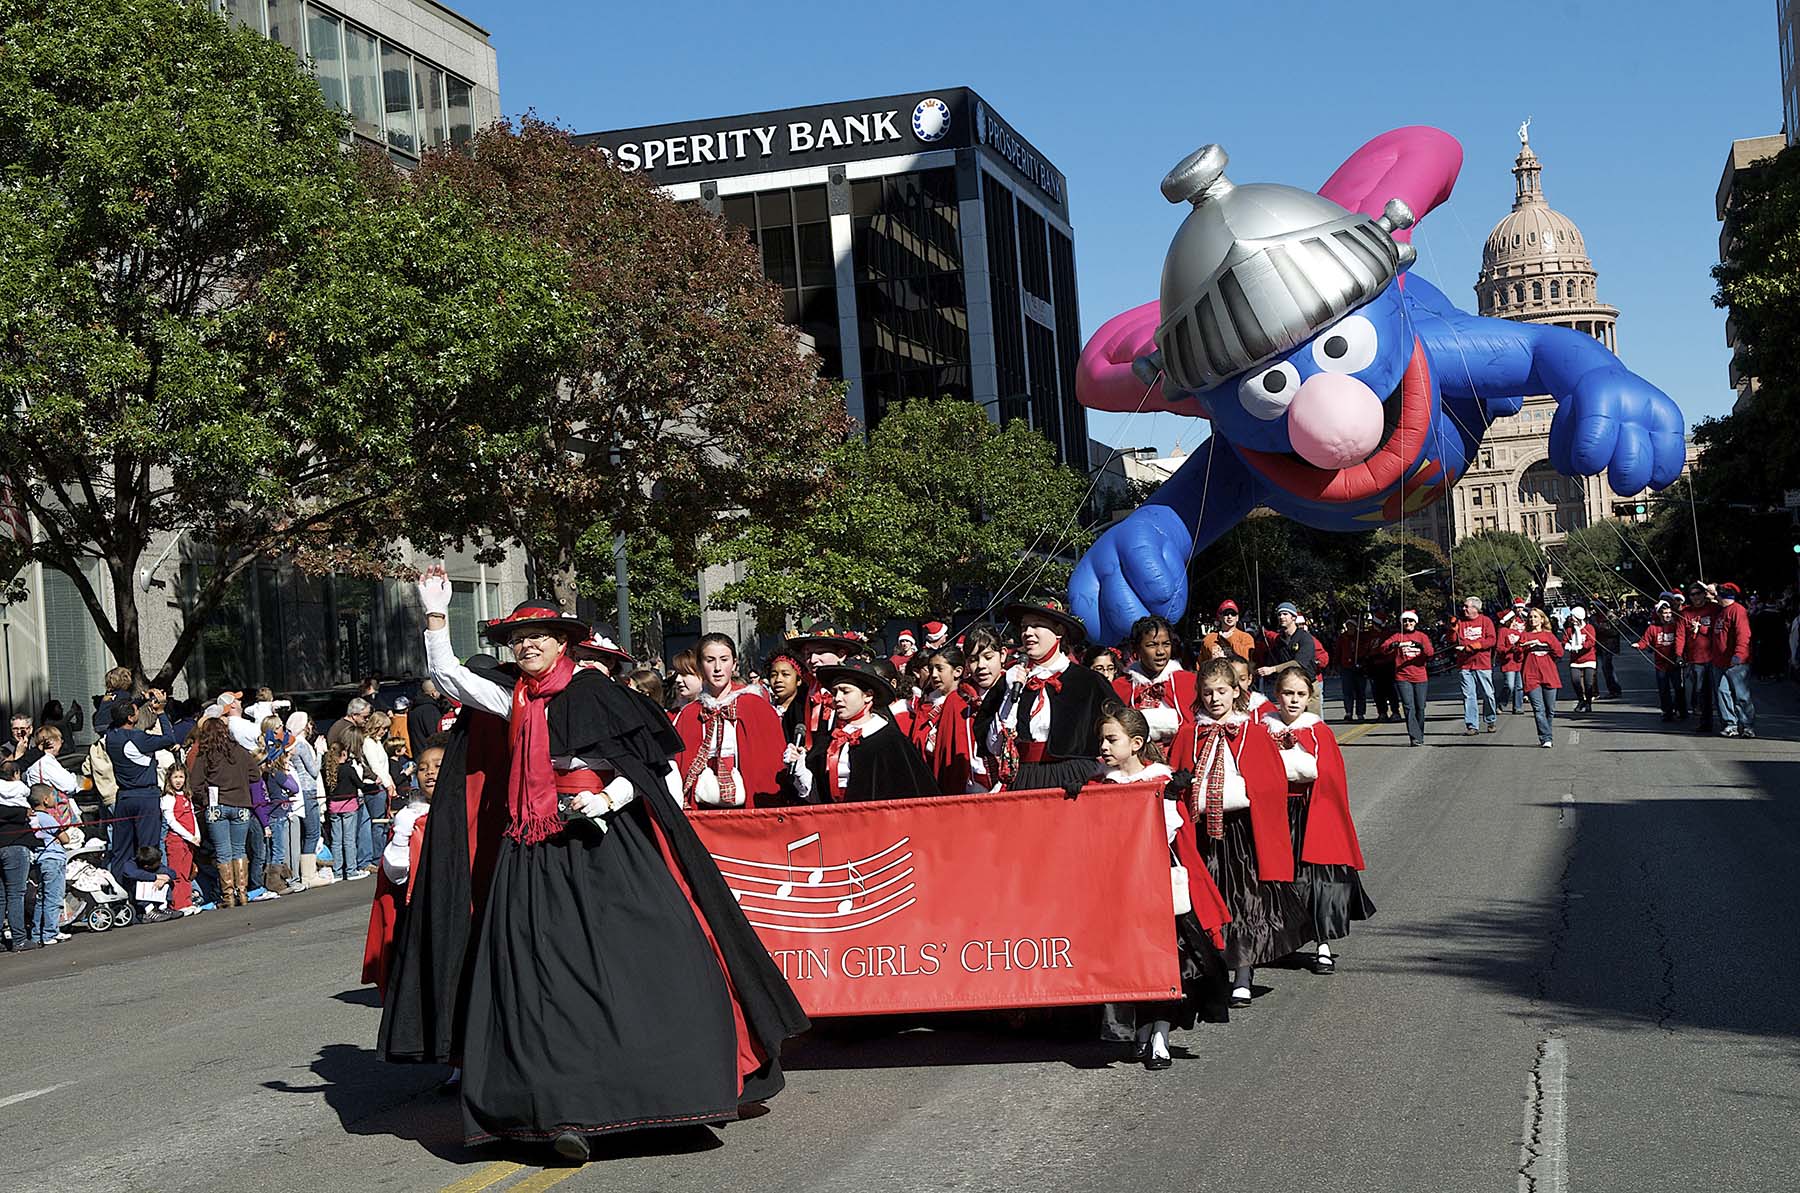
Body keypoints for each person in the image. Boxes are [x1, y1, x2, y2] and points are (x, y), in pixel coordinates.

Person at [415, 569, 808, 1160]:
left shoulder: (595, 691)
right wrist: (437, 615)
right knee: (534, 972)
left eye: (540, 636)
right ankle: (558, 1107)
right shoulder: (513, 699)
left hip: (604, 848)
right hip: (534, 852)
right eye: (519, 638)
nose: (527, 646)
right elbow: (449, 677)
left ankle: (664, 1088)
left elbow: (648, 769)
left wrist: (603, 798)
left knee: (650, 953)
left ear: (562, 642)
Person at [1092, 702, 1230, 1069]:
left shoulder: (1161, 779)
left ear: (1136, 743)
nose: (1104, 747)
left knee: (1169, 960)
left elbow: (1171, 831)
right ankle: (1140, 1030)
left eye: (1111, 739)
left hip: (1158, 881)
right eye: (1102, 740)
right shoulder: (1101, 783)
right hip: (1120, 884)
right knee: (1131, 959)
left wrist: (1167, 799)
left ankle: (1160, 1036)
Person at [1167, 658, 1302, 1009]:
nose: (1214, 699)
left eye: (1222, 691)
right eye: (1207, 692)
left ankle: (1244, 972)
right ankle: (1209, 971)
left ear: (1237, 692)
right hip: (1200, 833)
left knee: (1244, 900)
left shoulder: (1253, 733)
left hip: (1241, 832)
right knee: (1205, 901)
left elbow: (1271, 783)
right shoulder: (1188, 734)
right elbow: (1175, 779)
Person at [1261, 666, 1375, 975]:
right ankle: (1283, 940)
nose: (1294, 701)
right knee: (1279, 879)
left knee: (1320, 880)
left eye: (1300, 694)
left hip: (1311, 813)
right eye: (1288, 693)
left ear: (1310, 697)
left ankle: (1323, 943)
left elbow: (1332, 779)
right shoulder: (1262, 730)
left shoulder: (1318, 731)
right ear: (1276, 696)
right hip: (1275, 814)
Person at [973, 597, 1113, 794]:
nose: (1027, 632)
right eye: (1024, 627)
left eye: (1037, 625)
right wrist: (1007, 697)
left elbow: (1119, 729)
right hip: (1025, 779)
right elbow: (994, 746)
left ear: (1059, 632)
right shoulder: (1010, 681)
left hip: (1074, 778)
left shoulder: (1089, 681)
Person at [784, 656, 939, 802]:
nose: (837, 698)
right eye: (835, 692)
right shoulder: (830, 739)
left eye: (845, 691)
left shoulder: (891, 740)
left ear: (868, 695)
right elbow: (820, 798)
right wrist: (800, 769)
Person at [363, 738, 442, 997]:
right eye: (422, 767)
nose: (430, 772)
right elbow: (395, 876)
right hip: (420, 911)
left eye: (438, 765)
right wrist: (401, 833)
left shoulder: (470, 810)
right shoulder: (411, 818)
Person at [673, 633, 787, 809]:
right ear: (700, 666)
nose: (718, 668)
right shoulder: (689, 715)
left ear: (734, 664)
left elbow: (772, 764)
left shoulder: (756, 707)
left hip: (749, 812)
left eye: (724, 659)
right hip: (703, 812)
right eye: (710, 660)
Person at [103, 690, 195, 886]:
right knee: (148, 849)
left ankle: (123, 893)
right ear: (130, 718)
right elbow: (170, 738)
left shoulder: (111, 735)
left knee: (122, 850)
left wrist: (143, 700)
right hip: (146, 796)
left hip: (124, 797)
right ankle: (150, 897)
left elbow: (120, 714)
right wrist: (160, 711)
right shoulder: (138, 738)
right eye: (135, 711)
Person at [188, 716, 259, 906]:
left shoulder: (206, 754)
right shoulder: (241, 751)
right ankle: (242, 893)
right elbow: (255, 775)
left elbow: (195, 785)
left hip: (216, 806)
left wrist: (205, 798)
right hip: (242, 804)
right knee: (239, 849)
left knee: (223, 852)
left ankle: (228, 896)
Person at [783, 622, 872, 749]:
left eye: (820, 652)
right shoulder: (801, 697)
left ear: (841, 655)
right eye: (807, 654)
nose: (812, 660)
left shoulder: (860, 690)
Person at [1113, 615, 1196, 746]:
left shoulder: (1189, 682)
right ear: (1137, 649)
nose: (1161, 651)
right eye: (1152, 645)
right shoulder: (1121, 687)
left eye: (1166, 644)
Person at [908, 645, 975, 795]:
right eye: (931, 669)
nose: (934, 675)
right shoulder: (926, 704)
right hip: (929, 779)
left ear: (957, 671)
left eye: (940, 669)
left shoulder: (963, 703)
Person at [959, 626, 1007, 792]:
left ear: (1003, 655)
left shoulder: (1015, 692)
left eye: (988, 657)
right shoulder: (960, 700)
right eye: (973, 660)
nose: (981, 666)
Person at [28, 783, 76, 944]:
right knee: (54, 897)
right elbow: (65, 838)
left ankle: (37, 933)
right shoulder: (47, 818)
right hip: (54, 859)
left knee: (42, 898)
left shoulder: (32, 818)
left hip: (40, 859)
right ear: (45, 799)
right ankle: (50, 932)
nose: (56, 799)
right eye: (54, 796)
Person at [286, 711, 327, 887]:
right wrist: (320, 752)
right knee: (312, 832)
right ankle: (309, 875)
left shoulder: (291, 744)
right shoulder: (301, 745)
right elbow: (314, 770)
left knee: (306, 833)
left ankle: (307, 872)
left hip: (300, 791)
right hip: (308, 790)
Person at [1381, 611, 1434, 746]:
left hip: (1420, 677)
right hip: (1403, 676)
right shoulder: (1398, 636)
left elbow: (1430, 653)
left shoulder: (1422, 636)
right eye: (1405, 621)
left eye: (1411, 621)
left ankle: (1419, 733)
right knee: (1408, 706)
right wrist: (1393, 645)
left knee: (1420, 707)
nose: (1408, 623)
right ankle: (1414, 736)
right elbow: (1383, 647)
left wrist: (1421, 647)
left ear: (1415, 622)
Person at [324, 733, 370, 883]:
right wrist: (374, 786)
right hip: (349, 806)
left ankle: (338, 872)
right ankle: (351, 870)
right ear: (344, 754)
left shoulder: (328, 770)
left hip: (334, 808)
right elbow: (360, 784)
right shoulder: (348, 769)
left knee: (336, 841)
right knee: (349, 839)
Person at [1714, 582, 1756, 738]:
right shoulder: (1721, 611)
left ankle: (1747, 725)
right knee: (1722, 692)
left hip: (1736, 662)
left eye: (1718, 594)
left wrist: (1738, 655)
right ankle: (1730, 724)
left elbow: (1743, 635)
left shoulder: (1738, 611)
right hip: (1720, 661)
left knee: (1741, 695)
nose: (1716, 597)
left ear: (1724, 595)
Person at [160, 765, 204, 914]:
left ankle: (187, 901)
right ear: (169, 779)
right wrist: (188, 836)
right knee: (177, 874)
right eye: (175, 777)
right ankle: (177, 904)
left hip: (190, 841)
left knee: (187, 873)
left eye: (181, 777)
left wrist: (196, 834)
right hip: (176, 840)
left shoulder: (186, 796)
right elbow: (171, 821)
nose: (178, 781)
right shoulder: (167, 798)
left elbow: (192, 816)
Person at [1633, 601, 1687, 722]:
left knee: (1679, 688)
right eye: (1664, 613)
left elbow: (1683, 638)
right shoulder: (1653, 628)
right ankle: (1667, 712)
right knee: (1663, 689)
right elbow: (1645, 640)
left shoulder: (1676, 625)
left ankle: (1682, 710)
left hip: (1674, 662)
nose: (1667, 615)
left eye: (1669, 613)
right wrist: (1638, 645)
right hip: (1660, 664)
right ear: (1659, 614)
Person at [1452, 597, 1498, 736]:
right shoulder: (1460, 622)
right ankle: (1472, 725)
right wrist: (1452, 629)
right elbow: (1453, 641)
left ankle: (1490, 720)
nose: (1464, 609)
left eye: (1467, 606)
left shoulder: (1486, 621)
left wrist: (1473, 646)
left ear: (1475, 609)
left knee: (1488, 694)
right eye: (1464, 606)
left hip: (1482, 664)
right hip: (1465, 665)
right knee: (1469, 696)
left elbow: (1491, 640)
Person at [1518, 609, 1565, 748]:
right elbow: (1518, 657)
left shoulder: (1549, 636)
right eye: (1530, 617)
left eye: (1535, 617)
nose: (1532, 619)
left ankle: (1547, 733)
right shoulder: (1524, 635)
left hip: (1549, 674)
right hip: (1531, 675)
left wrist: (1544, 644)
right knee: (1538, 709)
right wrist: (1522, 647)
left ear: (1542, 619)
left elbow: (1559, 653)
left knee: (1550, 709)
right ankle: (1545, 737)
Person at [1679, 583, 1720, 734]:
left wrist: (1701, 628)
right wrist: (1679, 654)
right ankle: (1705, 721)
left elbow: (1718, 629)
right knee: (1700, 691)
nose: (1695, 597)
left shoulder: (1714, 609)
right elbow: (1681, 635)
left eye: (1698, 593)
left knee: (1720, 692)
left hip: (1714, 657)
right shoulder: (1686, 613)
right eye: (1692, 594)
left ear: (1704, 594)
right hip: (1696, 659)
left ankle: (1729, 722)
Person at [1256, 602, 1317, 685]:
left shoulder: (1304, 638)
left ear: (1294, 617)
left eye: (1285, 614)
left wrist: (1273, 669)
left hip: (1307, 684)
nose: (1281, 617)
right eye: (1279, 614)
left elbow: (1298, 663)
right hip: (1288, 684)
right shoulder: (1279, 640)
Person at [1562, 607, 1599, 714]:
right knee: (1575, 681)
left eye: (1573, 616)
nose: (1571, 618)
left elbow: (1591, 642)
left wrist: (1581, 647)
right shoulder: (1569, 630)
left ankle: (1588, 703)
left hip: (1589, 659)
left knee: (1588, 683)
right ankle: (1581, 700)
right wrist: (1568, 646)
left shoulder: (1589, 628)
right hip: (1575, 660)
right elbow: (1564, 641)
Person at [1496, 602, 1528, 716]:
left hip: (1519, 661)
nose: (1516, 622)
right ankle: (1500, 703)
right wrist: (1509, 649)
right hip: (1508, 662)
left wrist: (1521, 648)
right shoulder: (1503, 631)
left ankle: (1518, 707)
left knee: (1519, 686)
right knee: (1509, 685)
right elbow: (1499, 647)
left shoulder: (1519, 632)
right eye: (1514, 620)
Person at [1333, 619, 1369, 722]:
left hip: (1360, 667)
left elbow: (1365, 650)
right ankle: (1348, 712)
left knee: (1360, 692)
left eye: (1352, 626)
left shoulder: (1360, 637)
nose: (1350, 628)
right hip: (1346, 668)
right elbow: (1338, 651)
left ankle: (1360, 713)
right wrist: (1335, 665)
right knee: (1347, 691)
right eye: (1348, 626)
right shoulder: (1342, 637)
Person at [1200, 599, 1258, 663]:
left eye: (1233, 614)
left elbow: (1248, 659)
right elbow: (1201, 665)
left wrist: (1229, 640)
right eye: (1226, 613)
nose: (1230, 616)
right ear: (1220, 617)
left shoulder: (1246, 638)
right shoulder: (1208, 639)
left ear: (1237, 618)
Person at [1593, 605, 1624, 698]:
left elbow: (1615, 632)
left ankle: (1614, 690)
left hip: (1608, 646)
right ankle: (1593, 692)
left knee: (1607, 668)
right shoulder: (1593, 618)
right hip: (1596, 646)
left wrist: (1600, 629)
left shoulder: (1612, 617)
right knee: (1592, 669)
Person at [666, 649, 701, 716]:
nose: (677, 679)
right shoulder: (672, 716)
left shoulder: (716, 714)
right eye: (677, 673)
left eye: (684, 674)